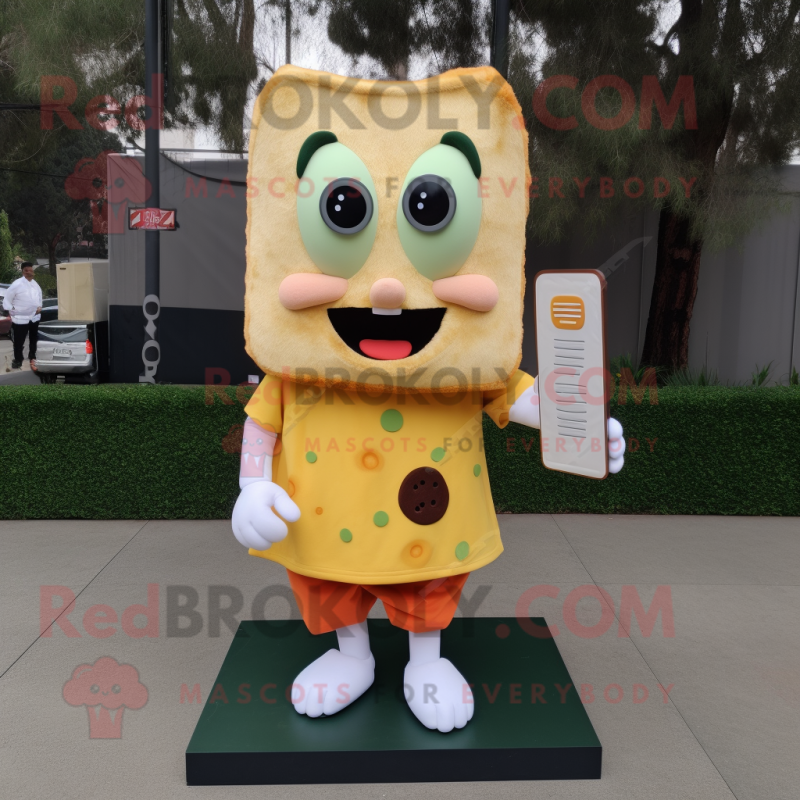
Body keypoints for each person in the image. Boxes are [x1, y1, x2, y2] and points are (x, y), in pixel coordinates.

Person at [3, 262, 42, 369]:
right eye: (26, 271)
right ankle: (18, 359)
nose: (29, 273)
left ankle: (32, 356)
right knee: (19, 341)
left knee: (33, 338)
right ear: (23, 271)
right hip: (20, 318)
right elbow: (7, 300)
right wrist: (14, 310)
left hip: (34, 317)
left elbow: (39, 298)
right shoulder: (17, 284)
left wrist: (39, 307)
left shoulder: (35, 284)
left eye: (31, 270)